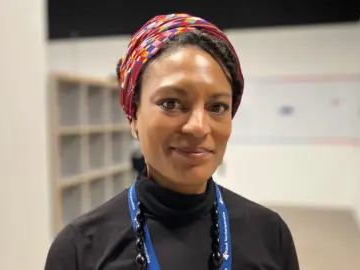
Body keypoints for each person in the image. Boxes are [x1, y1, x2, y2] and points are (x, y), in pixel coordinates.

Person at [45, 13, 299, 270]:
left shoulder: (270, 236)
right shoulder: (80, 250)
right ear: (133, 115)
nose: (198, 127)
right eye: (171, 103)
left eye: (217, 107)